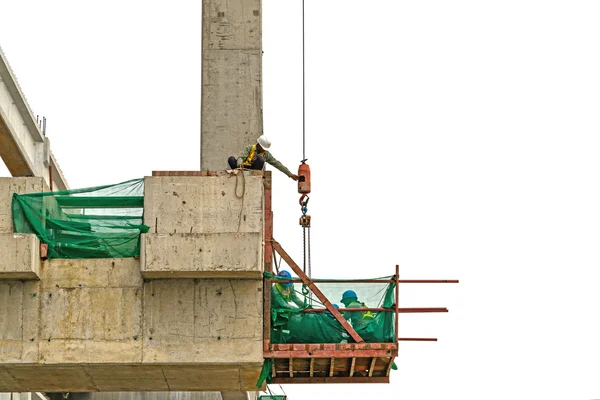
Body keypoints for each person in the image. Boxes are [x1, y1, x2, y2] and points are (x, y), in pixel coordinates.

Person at [228, 135, 299, 180]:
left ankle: (254, 175)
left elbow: (277, 164)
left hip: (253, 170)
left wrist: (290, 174)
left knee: (261, 159)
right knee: (231, 159)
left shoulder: (266, 154)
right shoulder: (250, 148)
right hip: (242, 168)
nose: (264, 150)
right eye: (263, 148)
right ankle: (236, 174)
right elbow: (241, 157)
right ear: (258, 145)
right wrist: (239, 165)